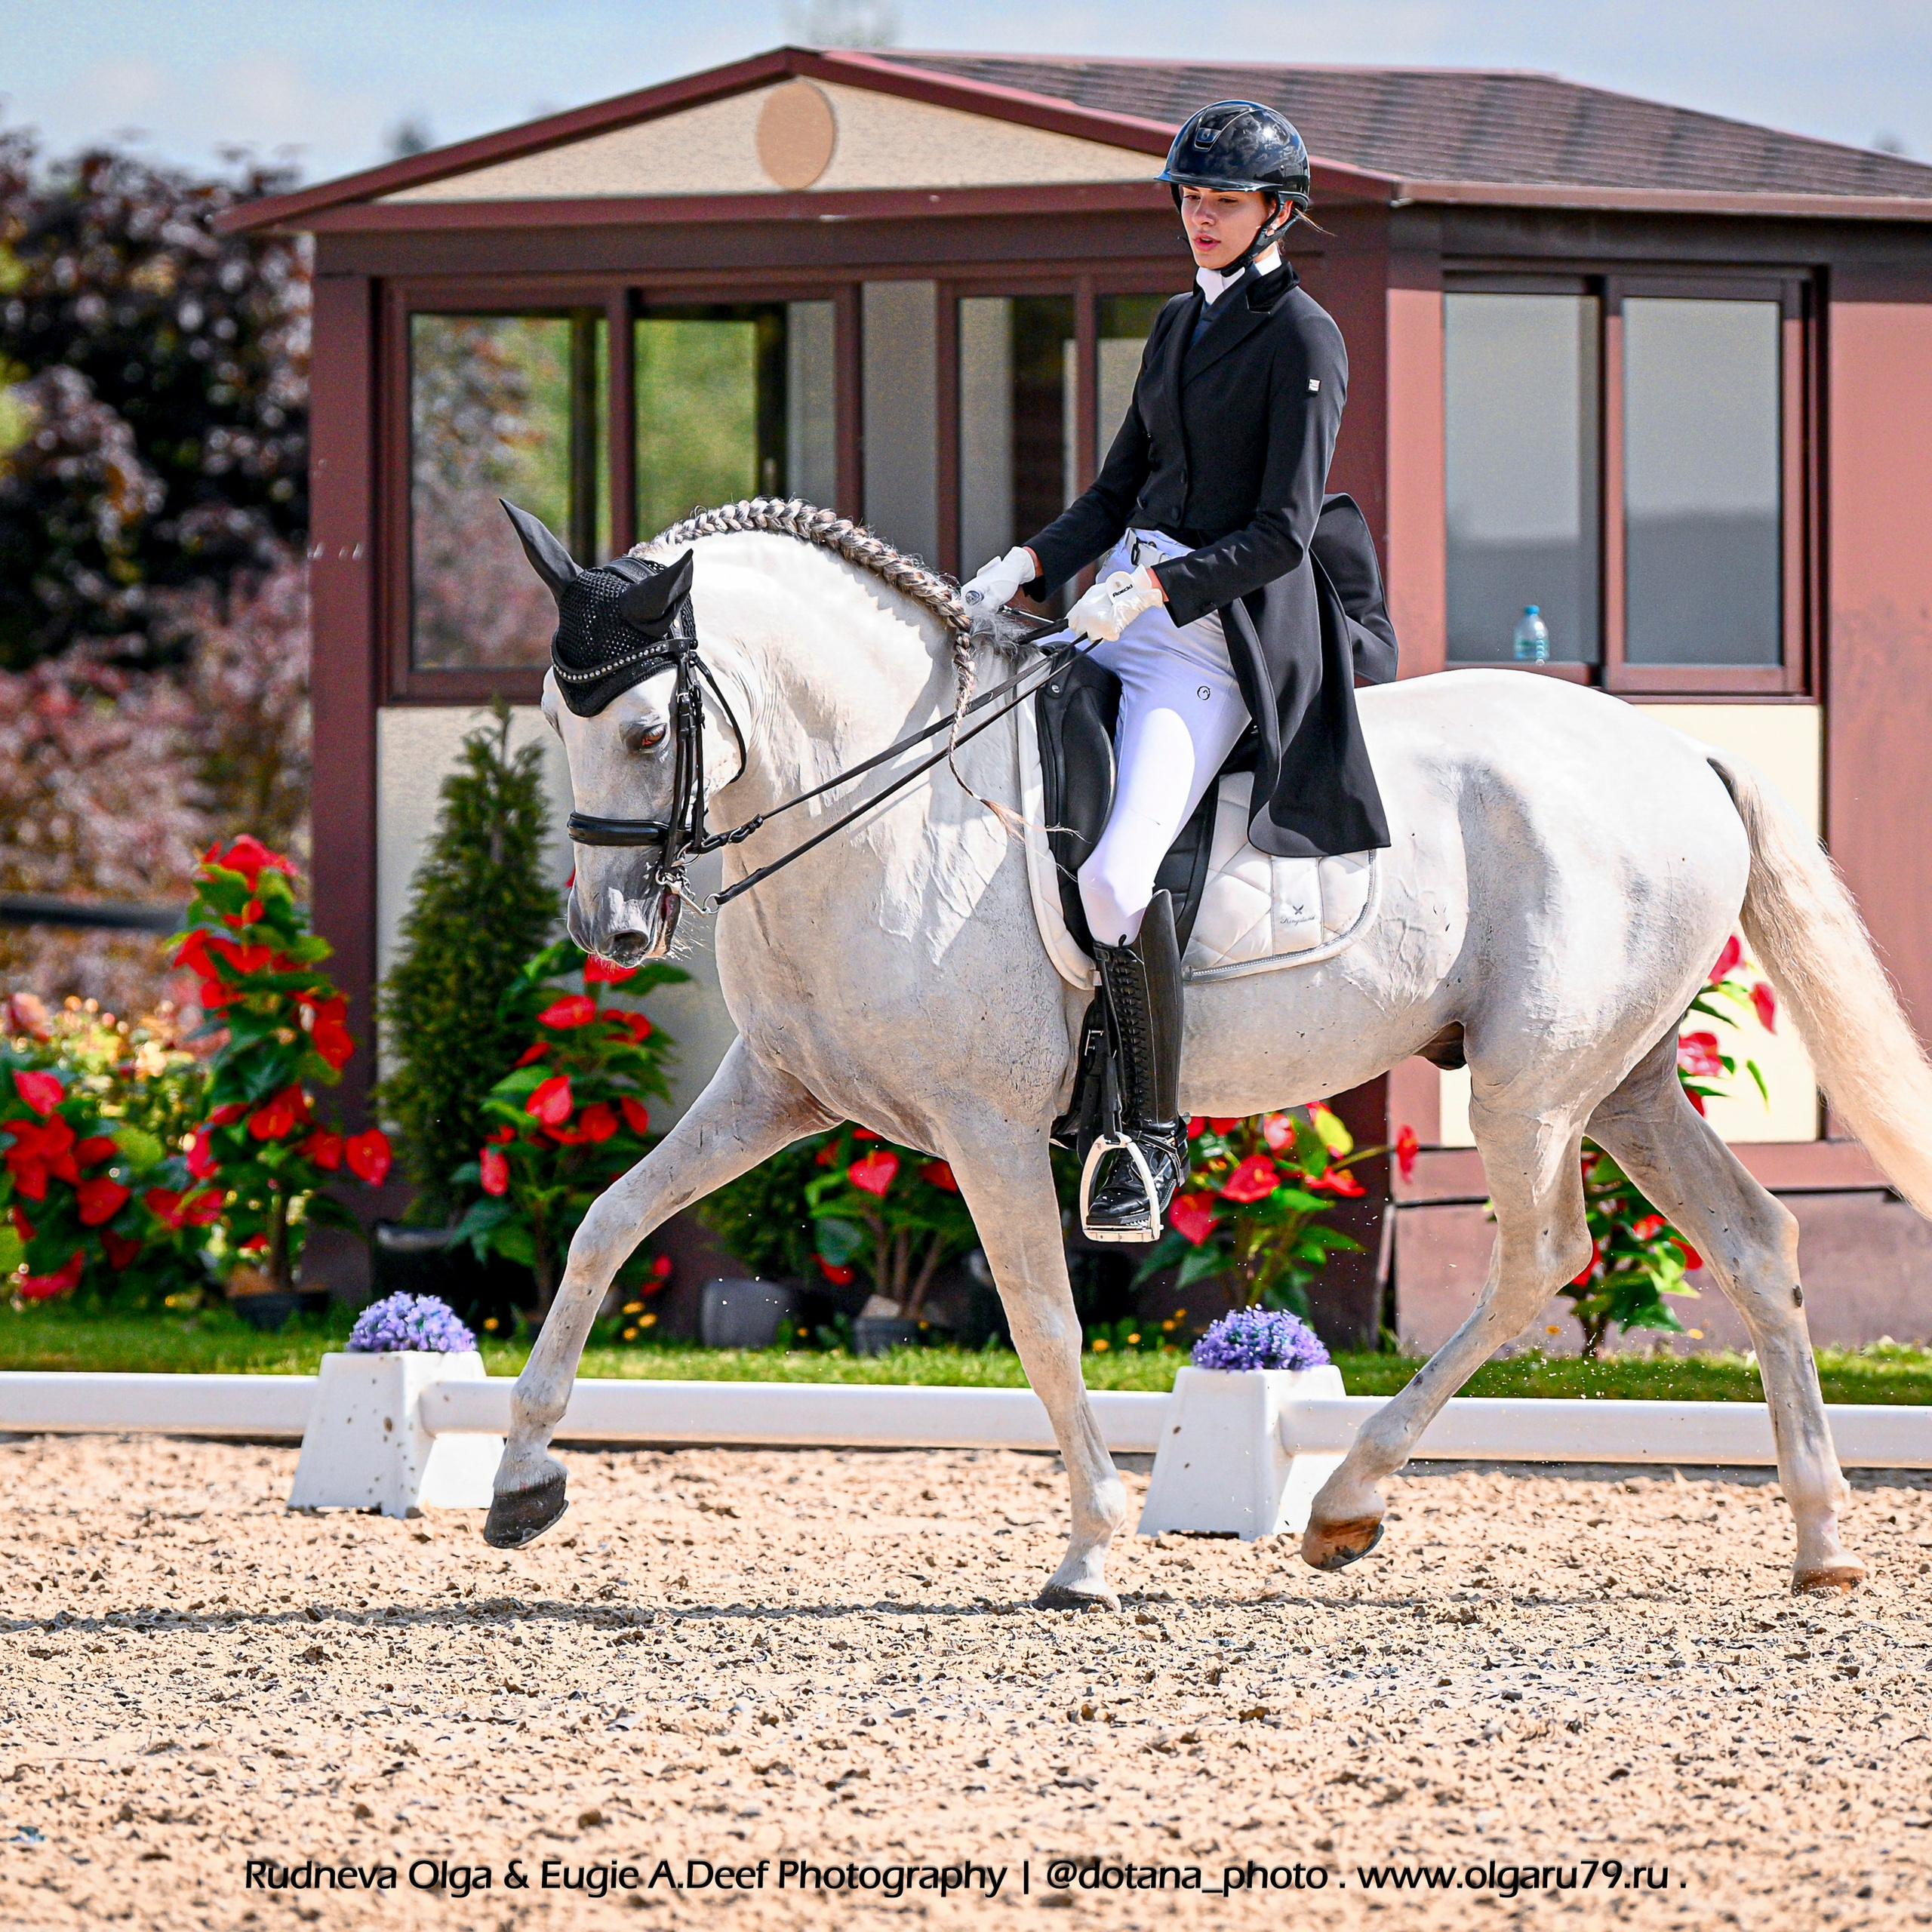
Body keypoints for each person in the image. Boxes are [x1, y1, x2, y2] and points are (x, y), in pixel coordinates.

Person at [961, 100, 1391, 1241]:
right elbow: (1115, 493)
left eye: (1224, 200)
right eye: (1190, 197)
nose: (1200, 215)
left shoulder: (1305, 336)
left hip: (1206, 641)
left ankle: (1150, 1139)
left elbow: (1284, 531)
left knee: (1112, 879)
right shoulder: (1173, 324)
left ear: (1277, 213)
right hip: (1109, 612)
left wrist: (1154, 589)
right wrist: (1029, 563)